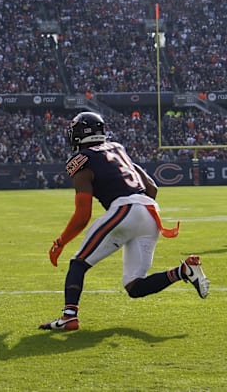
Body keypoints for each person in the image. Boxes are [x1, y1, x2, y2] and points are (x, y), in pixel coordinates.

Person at [39, 112, 209, 331]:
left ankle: (69, 317)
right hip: (150, 212)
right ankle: (183, 271)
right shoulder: (118, 149)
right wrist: (136, 215)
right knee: (134, 286)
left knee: (78, 263)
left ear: (81, 134)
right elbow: (152, 188)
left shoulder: (81, 159)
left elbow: (83, 215)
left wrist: (60, 242)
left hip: (125, 209)